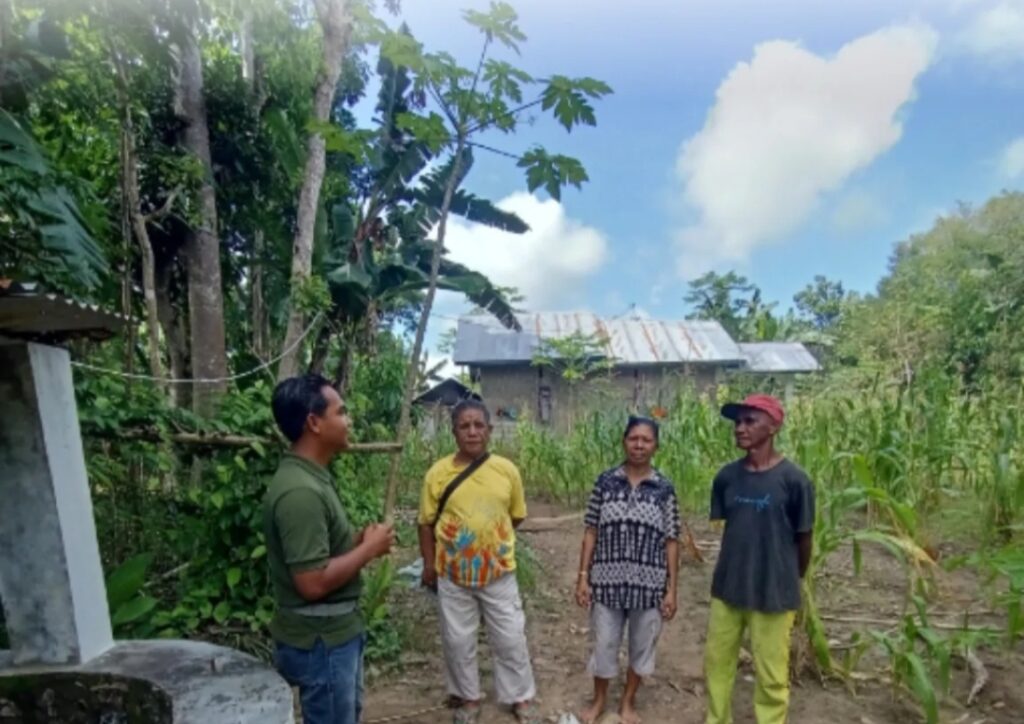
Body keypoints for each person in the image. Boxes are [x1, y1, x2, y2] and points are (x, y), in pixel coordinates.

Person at [263, 374, 395, 724]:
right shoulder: (300, 492)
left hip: (332, 636)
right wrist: (368, 551)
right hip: (321, 643)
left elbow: (319, 553)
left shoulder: (312, 477)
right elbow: (311, 581)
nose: (348, 421)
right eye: (341, 412)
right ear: (314, 423)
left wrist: (359, 543)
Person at [418, 399, 542, 724]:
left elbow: (514, 517)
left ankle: (520, 697)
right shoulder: (437, 474)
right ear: (454, 431)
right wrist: (430, 565)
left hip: (499, 574)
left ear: (490, 429)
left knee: (511, 637)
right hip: (452, 576)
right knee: (458, 641)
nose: (472, 432)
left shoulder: (506, 471)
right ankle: (468, 698)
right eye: (464, 425)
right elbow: (425, 523)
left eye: (478, 425)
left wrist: (490, 544)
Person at [704, 394, 815, 724]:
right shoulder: (726, 477)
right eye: (738, 422)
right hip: (728, 588)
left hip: (773, 592)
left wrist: (791, 580)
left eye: (750, 421)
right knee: (716, 664)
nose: (740, 428)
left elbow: (804, 537)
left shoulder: (794, 481)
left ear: (774, 426)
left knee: (771, 675)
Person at [575, 415, 681, 724]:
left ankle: (628, 703)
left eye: (646, 440)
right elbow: (591, 530)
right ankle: (598, 701)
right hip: (606, 583)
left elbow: (671, 541)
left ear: (656, 446)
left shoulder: (664, 489)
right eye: (634, 438)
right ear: (624, 441)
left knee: (642, 645)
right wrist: (583, 577)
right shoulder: (606, 481)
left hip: (649, 586)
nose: (639, 445)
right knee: (605, 643)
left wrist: (672, 589)